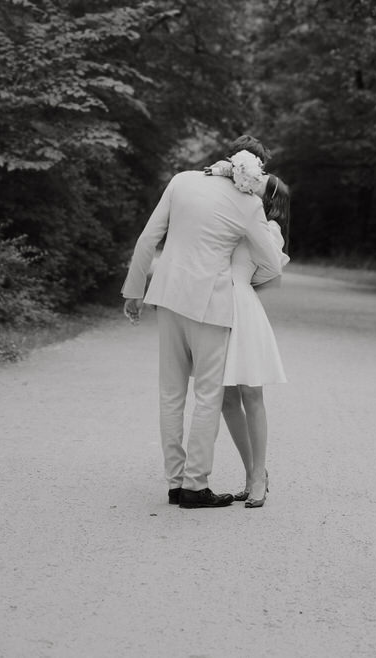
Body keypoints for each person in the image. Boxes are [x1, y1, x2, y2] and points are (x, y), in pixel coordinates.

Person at [122, 136, 285, 509]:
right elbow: (272, 265)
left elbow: (148, 239)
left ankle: (175, 483)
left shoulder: (181, 181)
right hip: (211, 304)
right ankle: (195, 486)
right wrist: (247, 277)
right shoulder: (248, 204)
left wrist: (133, 291)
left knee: (170, 393)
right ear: (254, 170)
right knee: (209, 395)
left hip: (168, 297)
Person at [219, 173, 290, 509]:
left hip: (242, 310)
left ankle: (259, 475)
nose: (249, 182)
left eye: (258, 182)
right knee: (225, 398)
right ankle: (250, 473)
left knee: (251, 392)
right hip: (215, 307)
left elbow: (273, 274)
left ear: (269, 198)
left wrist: (243, 286)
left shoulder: (269, 228)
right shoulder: (229, 215)